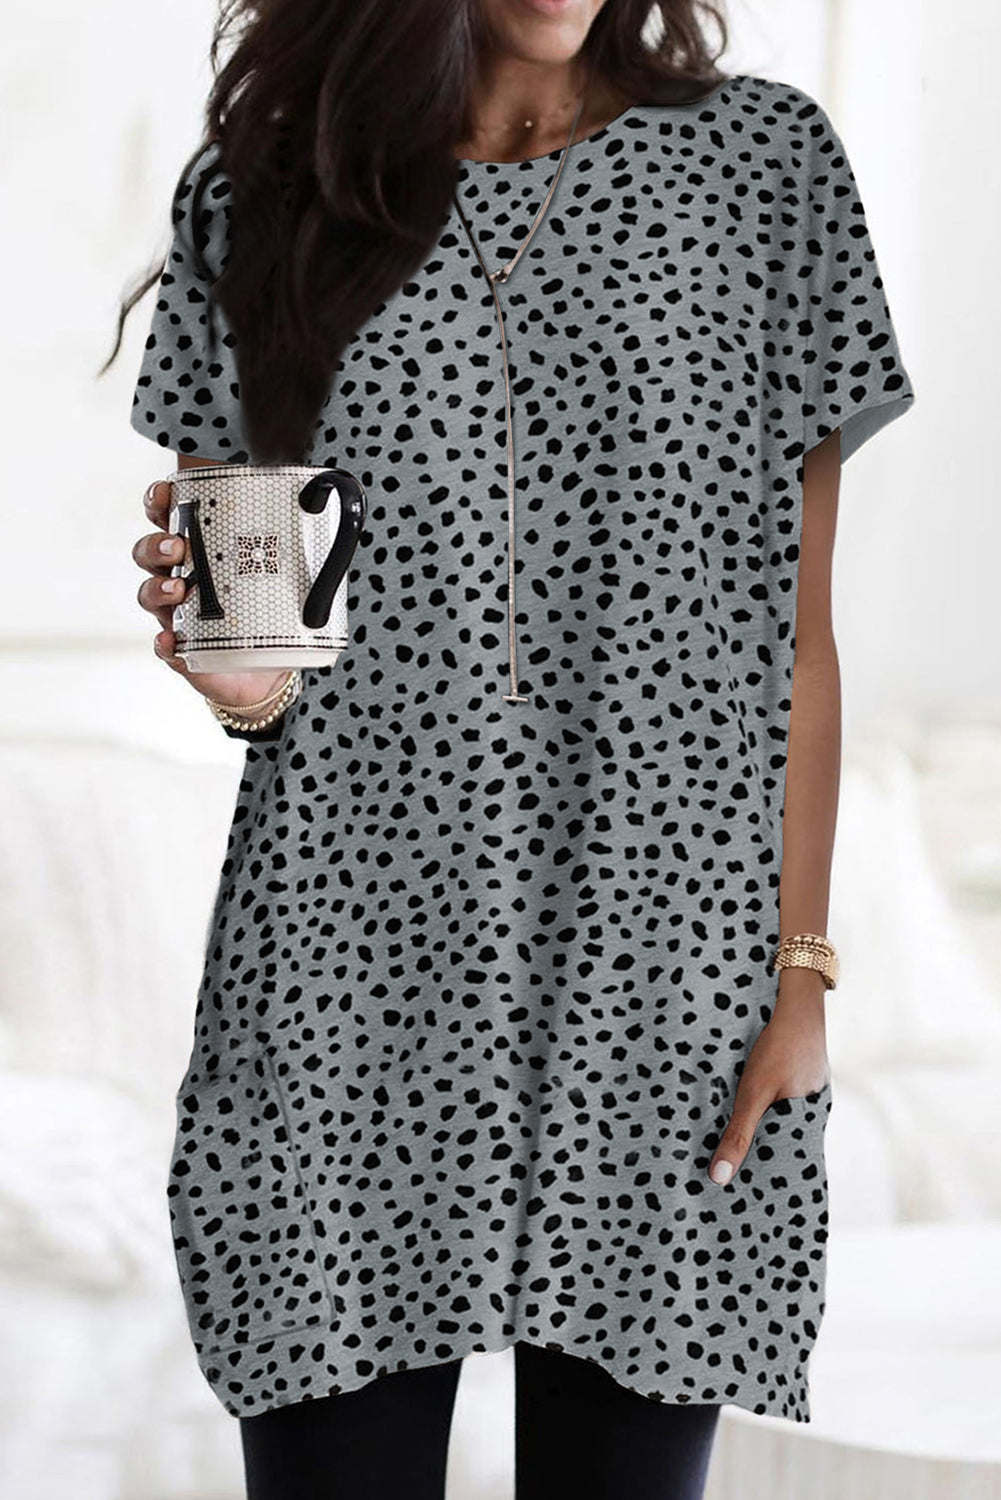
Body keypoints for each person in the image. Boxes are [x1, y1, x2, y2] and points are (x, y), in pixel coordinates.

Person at [114, 0, 915, 1495]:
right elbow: (262, 675)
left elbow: (793, 639)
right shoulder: (268, 189)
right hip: (349, 972)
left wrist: (799, 978)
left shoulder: (762, 167)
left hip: (656, 972)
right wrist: (215, 658)